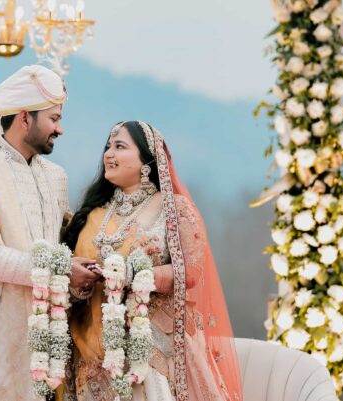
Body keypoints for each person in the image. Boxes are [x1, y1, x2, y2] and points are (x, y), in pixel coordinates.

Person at [0, 65, 100, 401]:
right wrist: (59, 270)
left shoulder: (56, 176)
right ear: (25, 117)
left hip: (47, 335)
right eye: (54, 118)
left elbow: (63, 244)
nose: (61, 129)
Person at [62, 121, 243, 401]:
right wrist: (81, 283)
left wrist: (136, 274)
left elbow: (191, 271)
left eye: (119, 146)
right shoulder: (92, 214)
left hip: (150, 350)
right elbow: (74, 270)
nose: (108, 154)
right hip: (92, 351)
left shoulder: (174, 209)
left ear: (147, 160)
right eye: (108, 147)